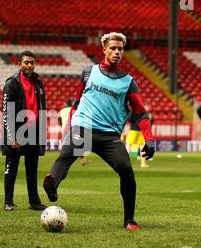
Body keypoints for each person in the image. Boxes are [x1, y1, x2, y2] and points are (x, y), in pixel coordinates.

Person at [43, 32, 155, 230]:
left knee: (127, 170)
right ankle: (52, 183)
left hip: (109, 135)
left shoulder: (128, 82)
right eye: (113, 48)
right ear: (104, 49)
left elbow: (141, 113)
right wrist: (69, 128)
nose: (117, 52)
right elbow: (76, 103)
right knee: (67, 155)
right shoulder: (88, 72)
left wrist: (150, 140)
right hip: (83, 126)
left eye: (120, 49)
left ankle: (129, 220)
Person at [2, 50, 47, 212]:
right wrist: (11, 136)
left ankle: (34, 202)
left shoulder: (38, 82)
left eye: (32, 62)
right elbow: (7, 111)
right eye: (26, 62)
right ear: (19, 63)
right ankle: (8, 201)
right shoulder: (11, 83)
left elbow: (41, 107)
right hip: (17, 131)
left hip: (34, 131)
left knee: (32, 169)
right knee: (11, 167)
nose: (29, 65)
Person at [59, 98, 91, 166]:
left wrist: (63, 126)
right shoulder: (73, 109)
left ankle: (63, 161)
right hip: (73, 128)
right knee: (78, 145)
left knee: (65, 146)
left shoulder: (62, 111)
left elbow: (59, 120)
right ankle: (82, 160)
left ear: (65, 103)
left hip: (64, 130)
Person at [125, 102, 153, 168]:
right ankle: (143, 164)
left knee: (128, 145)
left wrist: (134, 122)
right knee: (142, 146)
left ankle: (126, 163)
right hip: (141, 130)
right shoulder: (144, 112)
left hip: (133, 130)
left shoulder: (133, 110)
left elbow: (129, 118)